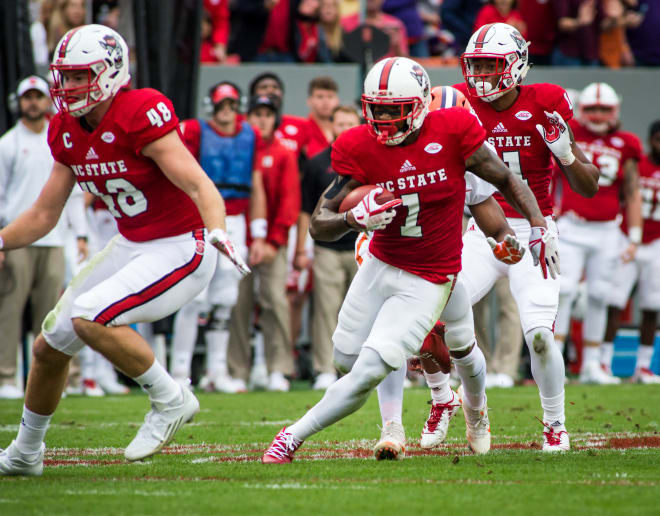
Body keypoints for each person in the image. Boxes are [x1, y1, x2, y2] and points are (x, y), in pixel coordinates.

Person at [261, 55, 559, 463]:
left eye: (394, 111)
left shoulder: (455, 134)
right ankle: (442, 396)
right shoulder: (358, 145)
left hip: (434, 274)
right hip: (383, 264)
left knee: (420, 355)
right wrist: (352, 219)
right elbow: (318, 224)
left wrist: (526, 230)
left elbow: (502, 188)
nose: (382, 120)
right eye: (376, 109)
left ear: (420, 108)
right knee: (346, 359)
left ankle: (293, 436)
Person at [0, 24, 248, 476]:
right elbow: (43, 213)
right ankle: (25, 453)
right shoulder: (65, 129)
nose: (69, 86)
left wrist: (218, 230)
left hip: (182, 245)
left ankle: (170, 399)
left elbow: (197, 182)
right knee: (49, 346)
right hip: (132, 243)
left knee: (90, 315)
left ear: (112, 72)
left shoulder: (140, 110)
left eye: (80, 76)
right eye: (65, 76)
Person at [438, 23, 599, 450]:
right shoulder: (459, 102)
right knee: (437, 313)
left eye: (491, 66)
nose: (481, 76)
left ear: (517, 64)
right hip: (482, 228)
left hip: (536, 230)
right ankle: (456, 401)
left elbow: (588, 185)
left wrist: (564, 153)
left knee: (541, 336)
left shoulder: (546, 101)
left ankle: (554, 423)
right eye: (476, 66)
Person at [369, 85, 525, 457]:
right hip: (396, 255)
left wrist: (504, 237)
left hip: (443, 260)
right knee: (395, 334)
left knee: (460, 344)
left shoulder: (462, 158)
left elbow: (488, 209)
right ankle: (425, 408)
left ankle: (475, 407)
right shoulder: (385, 150)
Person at [169, 81, 267, 393]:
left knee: (225, 298)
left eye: (231, 105)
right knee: (194, 297)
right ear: (212, 105)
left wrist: (259, 230)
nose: (226, 112)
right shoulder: (196, 132)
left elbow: (256, 183)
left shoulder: (250, 135)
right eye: (222, 105)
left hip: (235, 218)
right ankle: (179, 372)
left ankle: (217, 369)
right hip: (199, 217)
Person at [0, 75, 88, 400]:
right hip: (19, 237)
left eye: (38, 96)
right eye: (28, 97)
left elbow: (76, 194)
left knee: (52, 315)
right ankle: (7, 377)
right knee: (10, 309)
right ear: (19, 102)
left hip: (55, 239)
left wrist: (79, 234)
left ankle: (54, 381)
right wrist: (2, 240)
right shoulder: (8, 144)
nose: (33, 103)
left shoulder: (60, 140)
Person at [554, 82, 642, 385]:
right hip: (571, 225)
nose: (599, 114)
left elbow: (632, 191)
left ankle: (592, 363)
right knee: (562, 291)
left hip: (607, 229)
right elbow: (550, 176)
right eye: (593, 108)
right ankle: (556, 361)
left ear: (615, 109)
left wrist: (634, 236)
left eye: (604, 109)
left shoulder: (626, 142)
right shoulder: (570, 133)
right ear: (581, 109)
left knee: (599, 295)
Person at [227, 94, 301, 392]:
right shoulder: (239, 150)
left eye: (267, 114)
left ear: (275, 119)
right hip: (237, 242)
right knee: (237, 305)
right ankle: (236, 371)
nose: (262, 119)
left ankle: (278, 368)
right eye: (256, 114)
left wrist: (273, 241)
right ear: (247, 117)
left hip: (272, 243)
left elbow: (289, 201)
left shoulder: (283, 153)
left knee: (274, 302)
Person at [295, 105, 362, 391]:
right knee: (325, 311)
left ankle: (363, 368)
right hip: (328, 248)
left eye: (351, 123)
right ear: (331, 126)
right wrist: (301, 249)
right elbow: (305, 211)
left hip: (362, 246)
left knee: (364, 311)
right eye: (340, 123)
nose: (345, 128)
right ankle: (325, 368)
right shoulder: (316, 163)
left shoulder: (370, 160)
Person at [603, 120, 660, 384]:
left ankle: (645, 366)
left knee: (652, 306)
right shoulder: (636, 165)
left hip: (657, 243)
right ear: (650, 140)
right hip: (628, 238)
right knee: (614, 301)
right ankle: (602, 361)